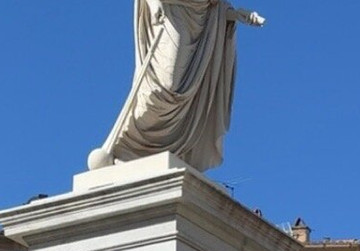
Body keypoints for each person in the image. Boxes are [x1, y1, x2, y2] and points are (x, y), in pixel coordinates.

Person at [89, 0, 265, 172]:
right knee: (166, 87)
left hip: (202, 17)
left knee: (186, 88)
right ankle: (128, 143)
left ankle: (155, 148)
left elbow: (215, 5)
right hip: (173, 11)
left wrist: (234, 14)